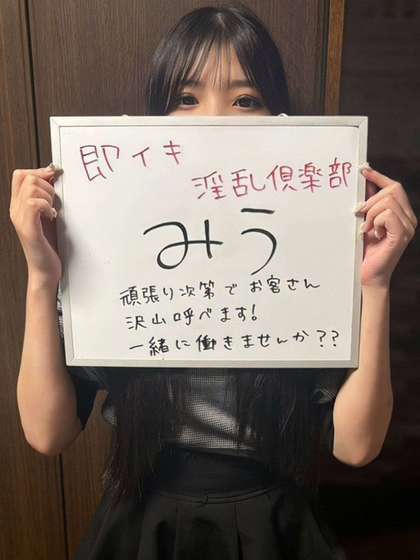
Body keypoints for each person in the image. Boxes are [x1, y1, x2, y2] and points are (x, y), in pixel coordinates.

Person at [11, 3, 417, 560]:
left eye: (245, 100)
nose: (214, 120)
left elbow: (355, 445)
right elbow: (47, 433)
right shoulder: (111, 248)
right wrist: (41, 276)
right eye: (186, 98)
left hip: (275, 524)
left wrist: (377, 285)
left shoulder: (313, 256)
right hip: (141, 524)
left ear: (280, 119)